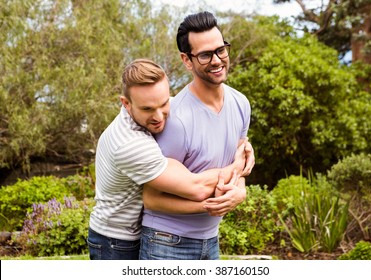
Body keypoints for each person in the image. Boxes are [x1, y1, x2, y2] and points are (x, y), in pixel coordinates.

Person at [87, 58, 254, 260]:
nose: (159, 116)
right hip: (116, 240)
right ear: (126, 103)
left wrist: (244, 148)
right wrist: (238, 165)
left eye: (164, 103)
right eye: (147, 109)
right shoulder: (129, 143)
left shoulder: (173, 106)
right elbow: (197, 187)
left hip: (143, 230)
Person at [140, 11, 252, 260]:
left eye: (221, 50)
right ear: (187, 60)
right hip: (166, 242)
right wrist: (206, 207)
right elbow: (151, 198)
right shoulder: (177, 120)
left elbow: (237, 163)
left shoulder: (241, 103)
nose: (217, 60)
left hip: (210, 240)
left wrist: (240, 191)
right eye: (205, 55)